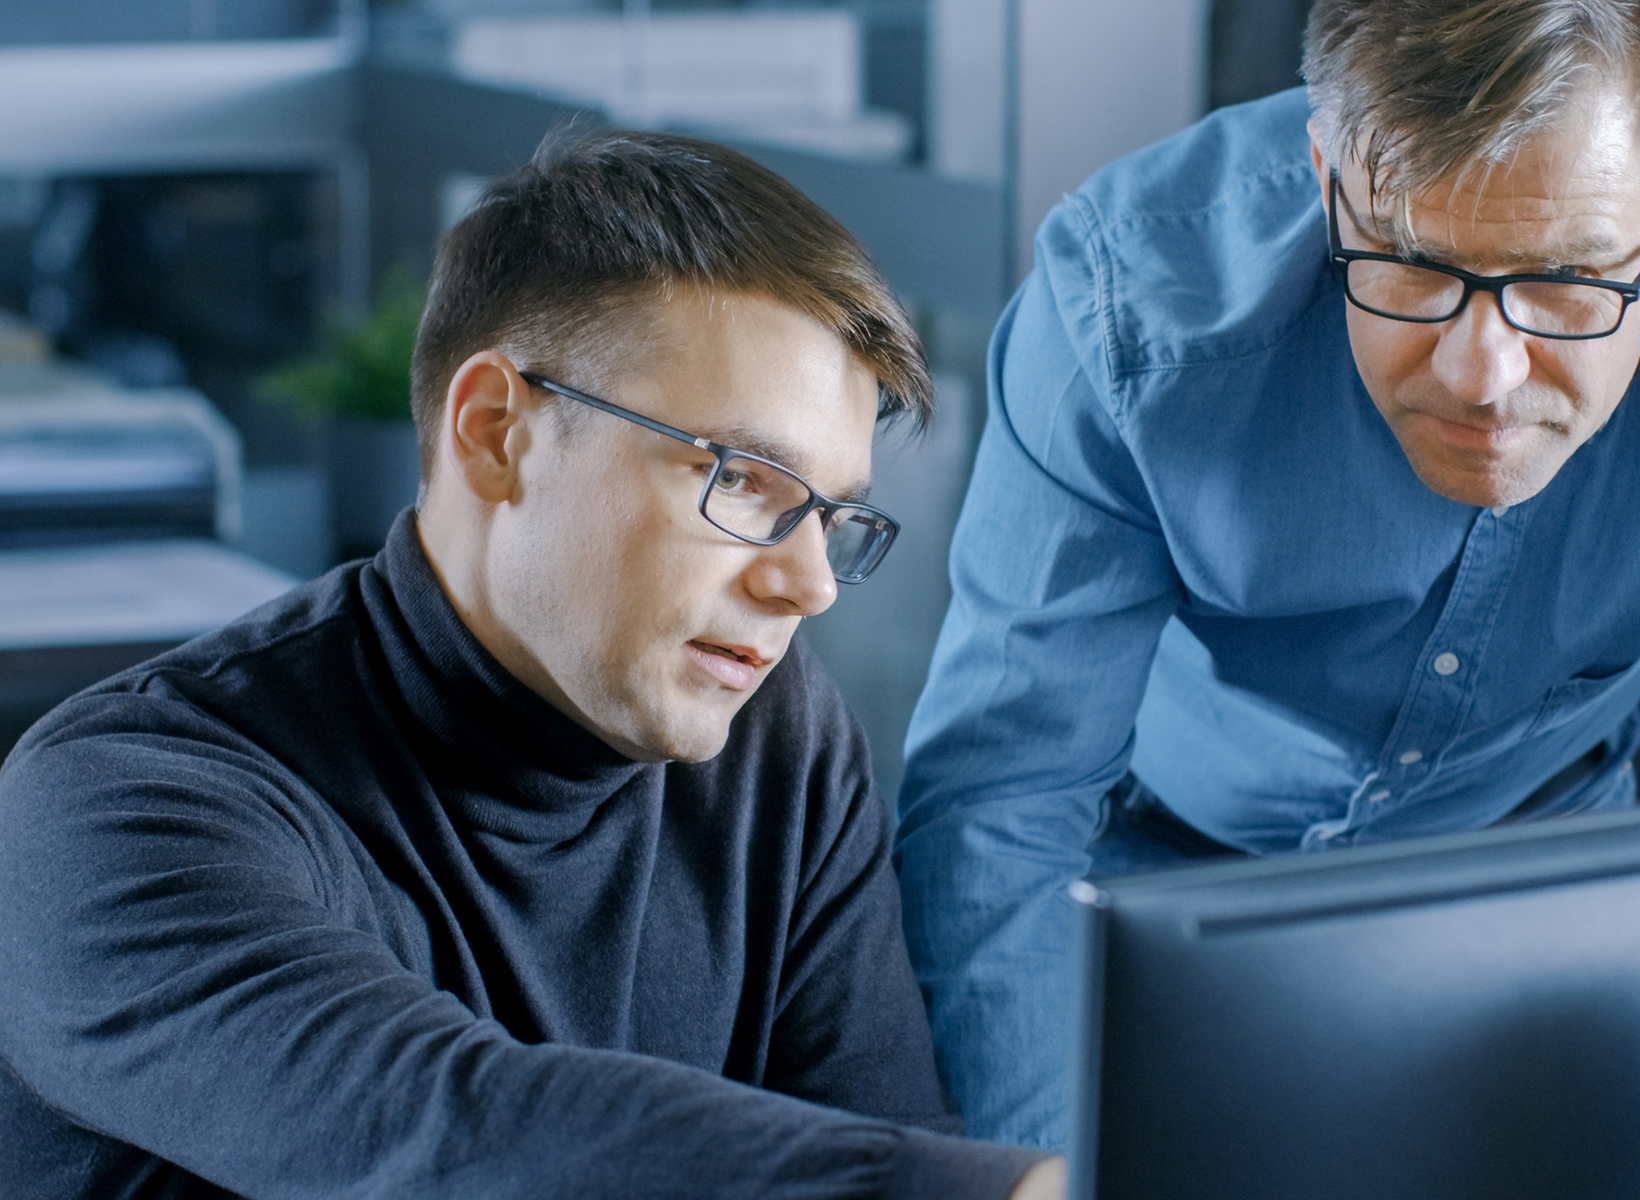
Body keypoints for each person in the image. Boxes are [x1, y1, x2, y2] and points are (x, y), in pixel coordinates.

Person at [896, 0, 1640, 1151]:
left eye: (1566, 284)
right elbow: (1002, 806)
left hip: (1542, 872)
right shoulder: (1125, 305)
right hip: (1148, 878)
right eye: (1415, 266)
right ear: (1332, 183)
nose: (1482, 376)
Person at [0, 130, 1063, 1200]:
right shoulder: (110, 806)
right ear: (495, 430)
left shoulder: (775, 738)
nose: (809, 585)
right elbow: (445, 1131)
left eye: (832, 518)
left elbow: (879, 1125)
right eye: (744, 480)